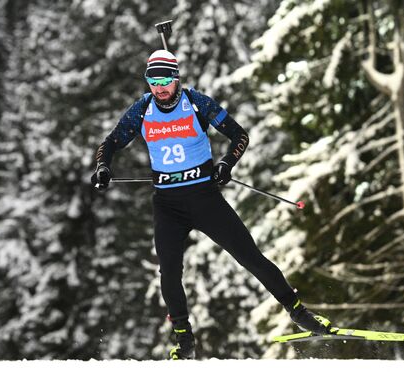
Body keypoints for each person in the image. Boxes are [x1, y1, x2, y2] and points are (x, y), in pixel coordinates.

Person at [91, 49, 334, 359]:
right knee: (169, 271)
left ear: (176, 79)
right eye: (153, 80)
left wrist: (226, 163)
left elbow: (239, 135)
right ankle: (184, 339)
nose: (160, 87)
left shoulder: (196, 103)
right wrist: (103, 167)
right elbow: (110, 142)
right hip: (167, 205)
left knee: (249, 256)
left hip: (204, 199)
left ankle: (298, 312)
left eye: (165, 80)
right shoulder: (142, 110)